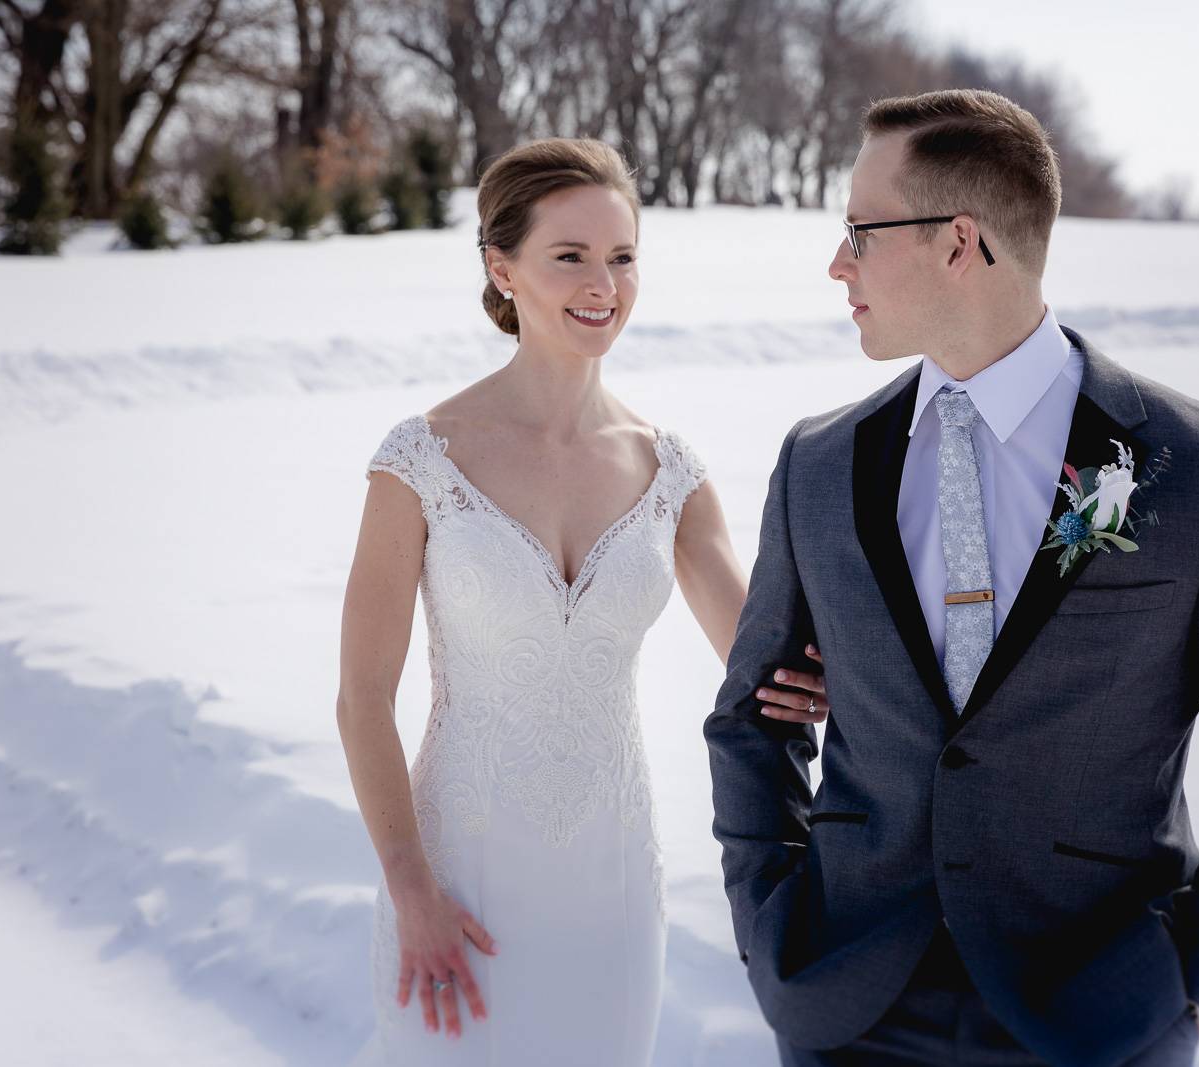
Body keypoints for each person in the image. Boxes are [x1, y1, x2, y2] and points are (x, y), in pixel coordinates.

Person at [706, 89, 1199, 1067]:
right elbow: (752, 720)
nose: (837, 262)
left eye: (861, 231)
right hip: (847, 1005)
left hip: (1097, 1011)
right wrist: (769, 927)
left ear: (959, 242)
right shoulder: (820, 463)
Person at [336, 137, 829, 1066]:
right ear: (503, 268)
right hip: (456, 886)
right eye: (570, 255)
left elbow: (760, 657)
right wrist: (412, 890)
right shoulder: (419, 461)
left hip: (613, 890)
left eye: (622, 256)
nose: (603, 284)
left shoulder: (669, 471)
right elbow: (362, 699)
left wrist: (835, 679)